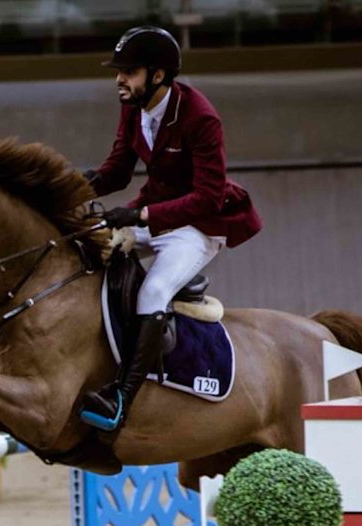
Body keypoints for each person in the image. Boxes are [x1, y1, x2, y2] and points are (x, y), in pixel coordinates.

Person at [79, 25, 262, 435]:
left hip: (198, 227)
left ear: (157, 75)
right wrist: (67, 186)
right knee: (88, 248)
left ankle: (122, 398)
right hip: (154, 213)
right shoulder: (133, 108)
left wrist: (141, 217)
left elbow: (209, 197)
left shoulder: (201, 117)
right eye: (119, 71)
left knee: (154, 291)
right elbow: (117, 171)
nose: (119, 80)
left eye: (129, 71)